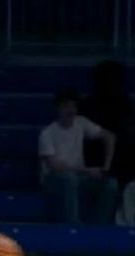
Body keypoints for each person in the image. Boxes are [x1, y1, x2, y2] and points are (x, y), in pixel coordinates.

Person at [39, 90, 119, 224]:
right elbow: (54, 166)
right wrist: (87, 171)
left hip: (79, 177)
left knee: (110, 184)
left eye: (73, 106)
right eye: (66, 106)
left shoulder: (81, 123)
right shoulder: (47, 133)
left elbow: (110, 137)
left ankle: (99, 226)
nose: (70, 110)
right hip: (53, 180)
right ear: (58, 108)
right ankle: (74, 225)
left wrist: (105, 168)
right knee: (69, 179)